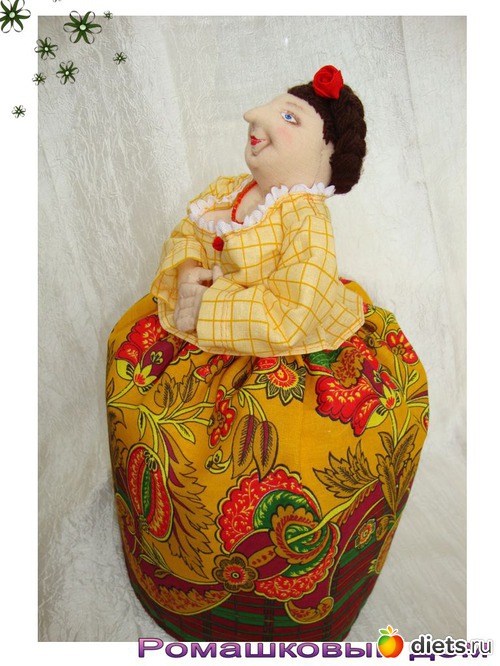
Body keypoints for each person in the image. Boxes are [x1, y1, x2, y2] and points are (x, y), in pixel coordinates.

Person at [106, 66, 429, 642]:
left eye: (288, 117)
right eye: (270, 108)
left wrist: (208, 307)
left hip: (280, 340)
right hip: (203, 325)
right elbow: (189, 234)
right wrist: (187, 271)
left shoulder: (307, 220)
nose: (254, 118)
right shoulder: (231, 191)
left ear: (325, 150)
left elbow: (293, 311)